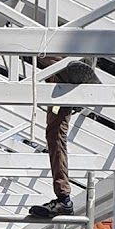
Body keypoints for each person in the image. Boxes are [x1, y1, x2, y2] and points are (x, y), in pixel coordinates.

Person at [28, 55, 100, 219]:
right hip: (61, 83)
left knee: (55, 134)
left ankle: (64, 199)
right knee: (53, 135)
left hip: (66, 70)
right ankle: (63, 199)